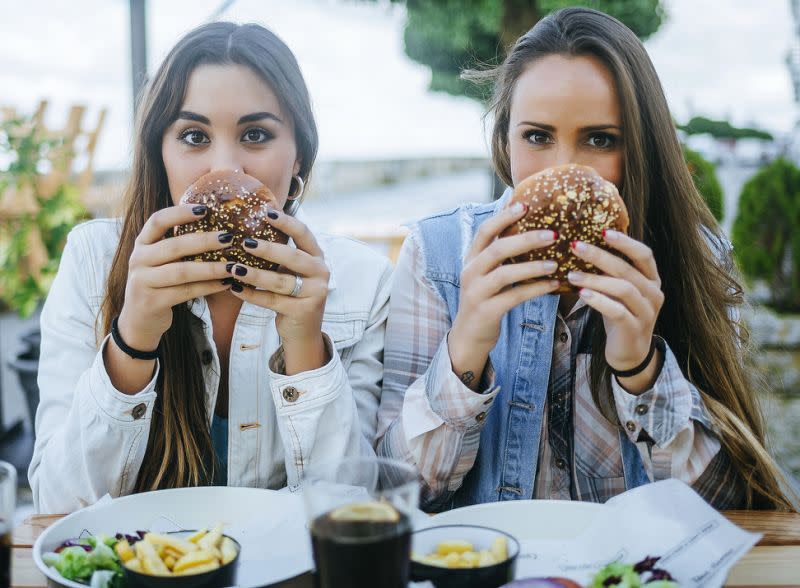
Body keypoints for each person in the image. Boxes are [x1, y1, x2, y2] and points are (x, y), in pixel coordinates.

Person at [377, 7, 796, 512]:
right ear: (504, 140)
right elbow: (393, 498)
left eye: (600, 139)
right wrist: (466, 348)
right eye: (537, 136)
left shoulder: (694, 257)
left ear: (640, 146)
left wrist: (642, 369)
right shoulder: (436, 256)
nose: (565, 169)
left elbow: (732, 506)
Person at [29, 22, 392, 513]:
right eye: (195, 136)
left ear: (300, 156)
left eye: (256, 134)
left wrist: (305, 347)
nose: (226, 169)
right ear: (160, 153)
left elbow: (352, 513)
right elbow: (58, 503)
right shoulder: (94, 260)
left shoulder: (363, 282)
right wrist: (132, 339)